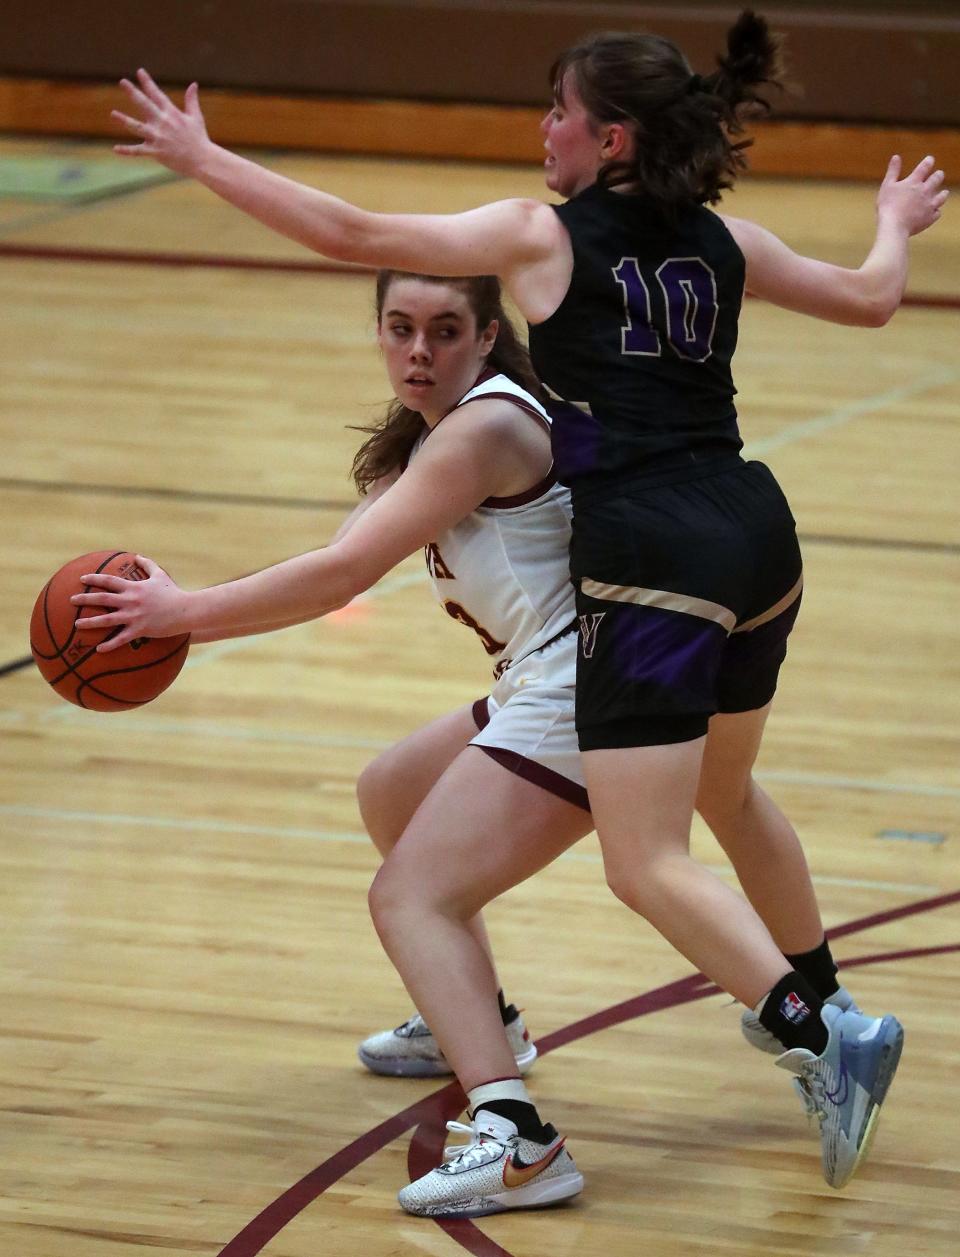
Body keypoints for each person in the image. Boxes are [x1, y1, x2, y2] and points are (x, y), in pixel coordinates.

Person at [99, 7, 947, 1209]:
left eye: (557, 109)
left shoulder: (540, 243)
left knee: (635, 860)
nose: (541, 129)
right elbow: (870, 303)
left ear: (606, 139)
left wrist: (205, 160)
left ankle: (800, 1037)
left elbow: (350, 230)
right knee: (664, 790)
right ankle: (786, 990)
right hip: (760, 535)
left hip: (654, 559)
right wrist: (891, 226)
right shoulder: (721, 237)